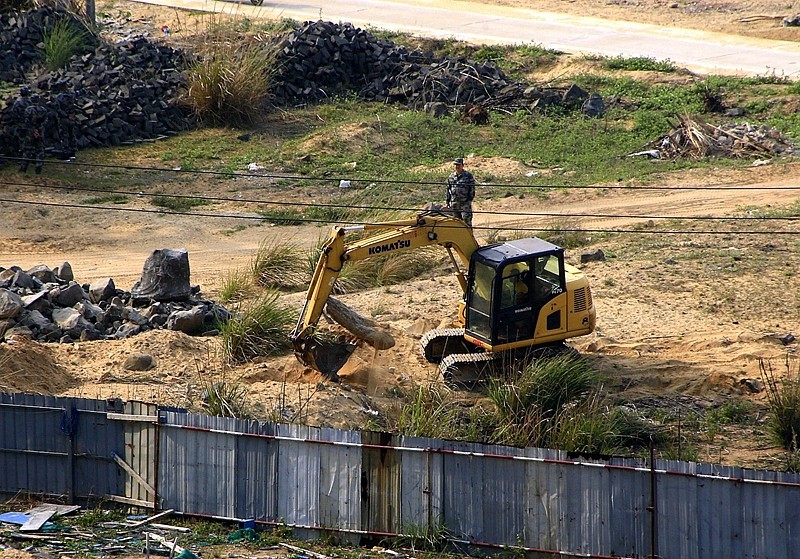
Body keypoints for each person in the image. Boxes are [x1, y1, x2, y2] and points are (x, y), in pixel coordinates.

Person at [446, 157, 476, 226]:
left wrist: (469, 200)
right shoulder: (451, 177)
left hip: (465, 204)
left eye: (458, 165)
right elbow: (448, 189)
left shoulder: (468, 176)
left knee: (467, 222)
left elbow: (472, 189)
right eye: (456, 165)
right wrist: (448, 201)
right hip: (455, 204)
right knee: (457, 223)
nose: (457, 167)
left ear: (462, 165)